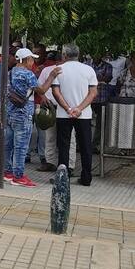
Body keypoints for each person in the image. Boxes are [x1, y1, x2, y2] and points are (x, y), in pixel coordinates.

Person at [3, 49, 61, 187]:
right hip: (23, 114)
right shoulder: (28, 74)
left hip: (9, 112)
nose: (33, 62)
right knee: (21, 147)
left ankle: (7, 172)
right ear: (26, 60)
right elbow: (41, 90)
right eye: (31, 59)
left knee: (8, 145)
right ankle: (18, 176)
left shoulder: (10, 72)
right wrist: (51, 76)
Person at [52, 43, 98, 186]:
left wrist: (67, 108)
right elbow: (93, 93)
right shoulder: (88, 69)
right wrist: (79, 108)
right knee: (85, 146)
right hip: (83, 114)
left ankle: (63, 177)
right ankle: (86, 177)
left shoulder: (58, 70)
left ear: (64, 55)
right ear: (78, 54)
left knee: (63, 146)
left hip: (63, 114)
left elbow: (56, 92)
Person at [38, 51, 77, 172]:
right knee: (50, 136)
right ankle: (50, 162)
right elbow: (39, 87)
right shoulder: (47, 70)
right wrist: (43, 97)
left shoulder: (72, 71)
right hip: (51, 106)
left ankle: (70, 165)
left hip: (67, 107)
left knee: (70, 137)